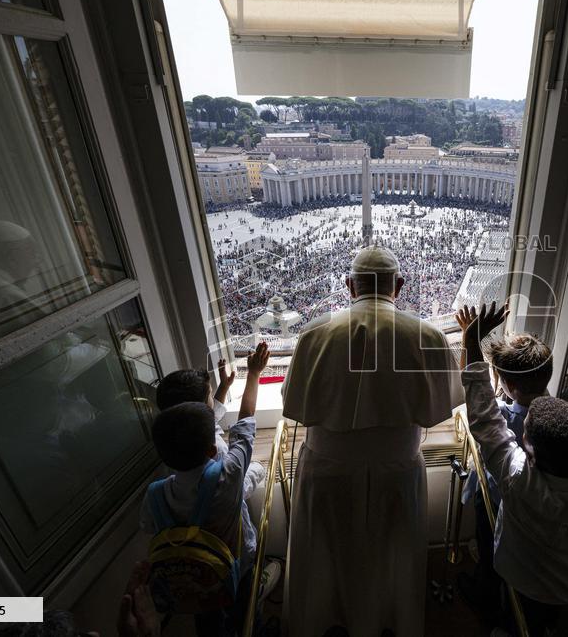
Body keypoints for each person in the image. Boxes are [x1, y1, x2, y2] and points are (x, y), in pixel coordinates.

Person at [282, 246, 464, 637]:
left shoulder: (314, 332)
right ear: (399, 285)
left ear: (349, 286)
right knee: (392, 558)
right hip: (397, 470)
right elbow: (446, 400)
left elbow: (293, 402)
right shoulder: (427, 334)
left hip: (326, 470)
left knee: (325, 558)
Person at [459, 303, 568, 635]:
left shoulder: (518, 479)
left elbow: (484, 418)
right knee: (540, 618)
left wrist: (471, 341)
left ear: (531, 453)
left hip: (519, 573)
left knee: (517, 620)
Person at [139, 343, 271, 636]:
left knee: (207, 619)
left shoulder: (155, 493)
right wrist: (254, 374)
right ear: (212, 449)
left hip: (189, 578)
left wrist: (223, 389)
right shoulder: (228, 473)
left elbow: (148, 525)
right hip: (237, 562)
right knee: (247, 614)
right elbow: (246, 424)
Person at [452, 309, 553, 613]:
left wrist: (471, 340)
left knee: (489, 548)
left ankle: (485, 595)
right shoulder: (556, 411)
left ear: (509, 386)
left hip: (497, 499)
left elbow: (476, 398)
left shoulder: (504, 416)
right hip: (536, 513)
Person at [155, 360, 267, 497]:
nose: (212, 396)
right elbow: (237, 485)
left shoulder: (173, 440)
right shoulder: (216, 450)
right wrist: (254, 374)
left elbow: (210, 416)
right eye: (210, 393)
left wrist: (224, 387)